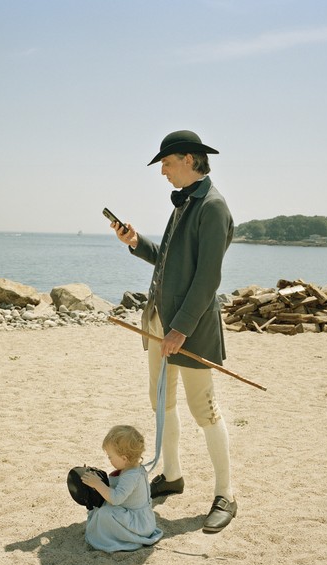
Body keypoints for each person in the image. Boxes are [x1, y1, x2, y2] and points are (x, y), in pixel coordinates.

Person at [111, 129, 237, 533]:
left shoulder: (212, 206)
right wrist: (136, 243)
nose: (162, 171)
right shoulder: (184, 204)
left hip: (191, 329)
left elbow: (207, 278)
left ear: (189, 159)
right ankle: (173, 474)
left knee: (205, 411)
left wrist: (180, 329)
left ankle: (226, 494)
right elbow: (168, 263)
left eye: (166, 163)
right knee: (161, 404)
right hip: (158, 324)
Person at [81, 425, 163, 552]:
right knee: (103, 507)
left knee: (104, 514)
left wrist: (98, 484)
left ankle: (115, 539)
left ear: (124, 458)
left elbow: (115, 499)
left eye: (110, 457)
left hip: (139, 526)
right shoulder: (135, 469)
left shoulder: (130, 476)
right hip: (144, 519)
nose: (109, 460)